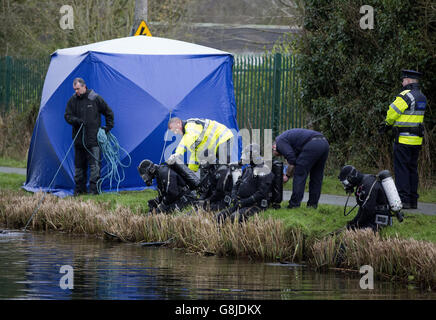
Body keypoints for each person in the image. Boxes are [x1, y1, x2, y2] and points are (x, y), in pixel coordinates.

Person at [379, 69, 427, 209]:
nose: (402, 82)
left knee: (402, 170)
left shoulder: (405, 96)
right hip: (416, 140)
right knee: (412, 169)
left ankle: (403, 199)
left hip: (403, 139)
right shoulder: (422, 97)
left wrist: (386, 124)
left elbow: (392, 112)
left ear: (408, 80)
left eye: (403, 79)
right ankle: (413, 200)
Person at [64, 78, 114, 195]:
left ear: (84, 86)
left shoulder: (95, 98)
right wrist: (76, 120)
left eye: (78, 89)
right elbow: (67, 116)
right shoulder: (72, 100)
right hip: (78, 140)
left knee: (94, 166)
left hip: (93, 140)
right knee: (79, 167)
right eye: (75, 89)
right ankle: (79, 190)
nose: (76, 91)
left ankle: (93, 190)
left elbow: (108, 112)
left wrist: (107, 128)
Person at [216, 144, 274, 223]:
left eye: (246, 154)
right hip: (242, 203)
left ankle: (240, 235)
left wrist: (244, 202)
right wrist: (234, 197)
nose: (243, 156)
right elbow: (236, 185)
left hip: (256, 205)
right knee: (219, 216)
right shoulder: (247, 169)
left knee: (235, 217)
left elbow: (261, 193)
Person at [272, 129, 329, 209]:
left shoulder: (279, 142)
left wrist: (287, 176)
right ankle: (312, 206)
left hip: (312, 144)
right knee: (316, 177)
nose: (280, 155)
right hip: (324, 143)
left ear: (273, 147)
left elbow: (292, 161)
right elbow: (292, 158)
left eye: (278, 154)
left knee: (299, 174)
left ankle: (294, 205)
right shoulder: (287, 140)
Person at [338, 165, 399, 232]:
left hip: (379, 219)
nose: (346, 186)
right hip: (373, 215)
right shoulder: (362, 182)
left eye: (345, 182)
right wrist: (353, 222)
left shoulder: (367, 185)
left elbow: (368, 210)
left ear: (352, 177)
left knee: (358, 233)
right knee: (351, 228)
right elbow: (362, 208)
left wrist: (357, 225)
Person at [167, 117, 235, 172]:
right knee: (211, 169)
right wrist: (191, 170)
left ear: (179, 123)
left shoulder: (190, 126)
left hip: (223, 137)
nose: (175, 133)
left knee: (223, 167)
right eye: (173, 132)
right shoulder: (187, 133)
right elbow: (193, 150)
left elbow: (190, 144)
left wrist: (191, 172)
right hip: (216, 142)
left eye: (174, 129)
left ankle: (233, 185)